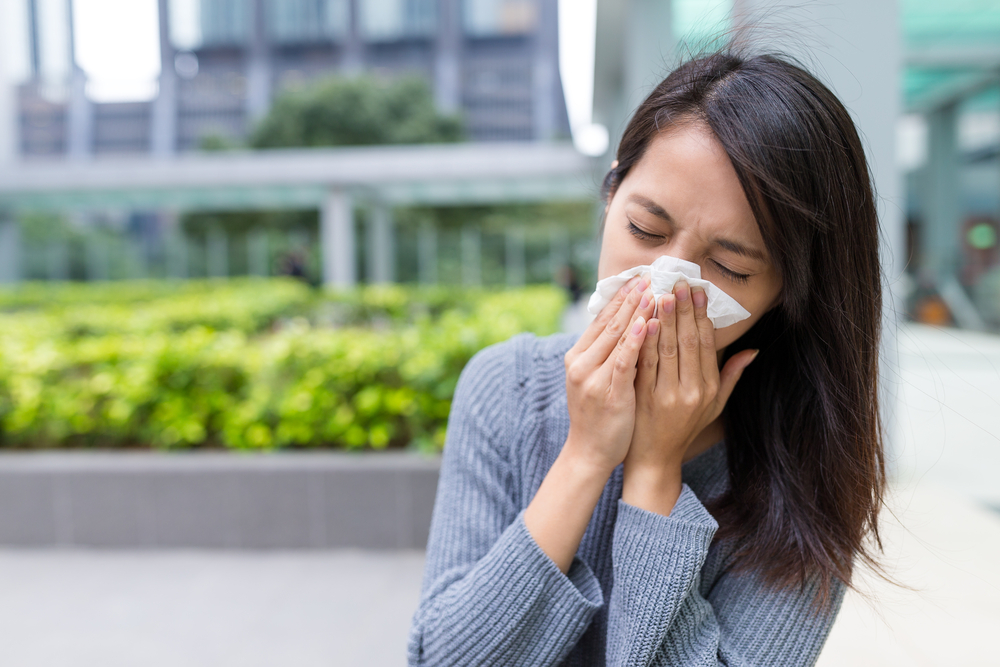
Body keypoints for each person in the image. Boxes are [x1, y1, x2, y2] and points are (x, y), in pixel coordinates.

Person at [408, 48, 886, 666]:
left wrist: (655, 472)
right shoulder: (508, 387)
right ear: (611, 193)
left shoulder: (806, 474)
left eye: (729, 266)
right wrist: (585, 456)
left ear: (788, 295)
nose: (665, 283)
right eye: (645, 230)